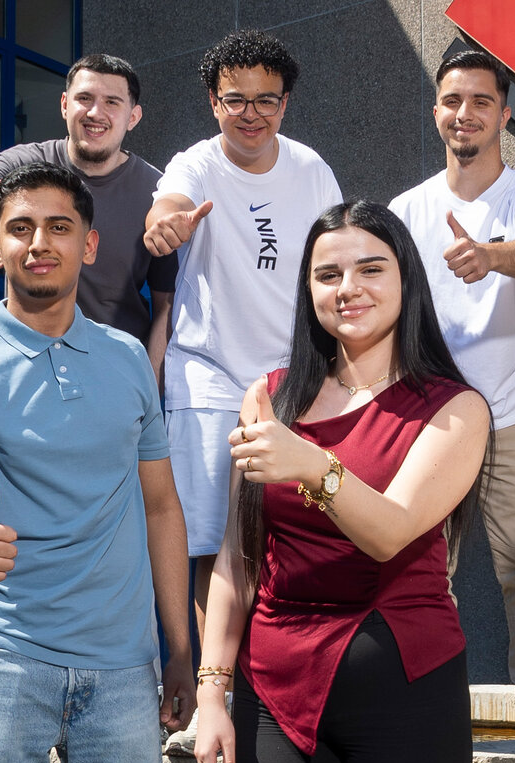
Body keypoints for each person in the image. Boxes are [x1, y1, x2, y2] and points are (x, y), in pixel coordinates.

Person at [0, 162, 194, 763]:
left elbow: (162, 507)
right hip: (2, 658)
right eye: (21, 228)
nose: (40, 243)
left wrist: (180, 648)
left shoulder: (130, 358)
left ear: (89, 246)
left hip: (125, 666)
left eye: (60, 227)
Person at [192, 201, 489, 763]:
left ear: (407, 278)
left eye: (371, 269)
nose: (348, 288)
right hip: (273, 683)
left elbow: (389, 532)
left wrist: (308, 462)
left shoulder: (455, 408)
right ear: (309, 291)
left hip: (408, 685)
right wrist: (211, 691)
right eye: (328, 274)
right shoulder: (270, 398)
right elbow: (238, 557)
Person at [389, 50, 515, 749]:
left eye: (480, 101)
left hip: (508, 413)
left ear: (504, 114)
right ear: (436, 110)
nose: (464, 113)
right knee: (419, 569)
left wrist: (492, 255)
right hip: (427, 419)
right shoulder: (405, 210)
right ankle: (421, 700)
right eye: (452, 100)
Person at [144, 30, 341, 642]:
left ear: (285, 103)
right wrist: (166, 226)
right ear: (213, 102)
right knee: (210, 540)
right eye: (235, 100)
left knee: (290, 533)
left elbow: (336, 252)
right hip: (209, 373)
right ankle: (216, 679)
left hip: (291, 374)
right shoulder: (197, 163)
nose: (250, 114)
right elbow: (167, 206)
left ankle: (277, 664)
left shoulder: (311, 169)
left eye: (265, 100)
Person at [0, 54, 176, 382]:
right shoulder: (19, 165)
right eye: (84, 98)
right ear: (65, 105)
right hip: (26, 368)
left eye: (112, 102)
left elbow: (168, 304)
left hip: (114, 376)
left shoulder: (158, 192)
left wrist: (147, 387)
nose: (95, 113)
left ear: (133, 116)